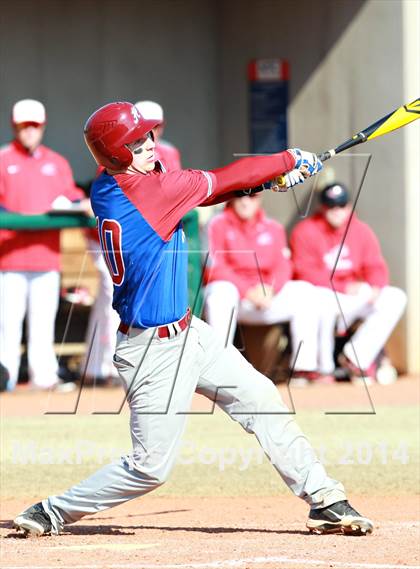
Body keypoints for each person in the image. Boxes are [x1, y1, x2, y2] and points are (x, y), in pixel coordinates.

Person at [14, 102, 373, 537]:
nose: (150, 144)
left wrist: (265, 184)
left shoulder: (111, 186)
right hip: (151, 350)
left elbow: (209, 191)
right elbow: (222, 179)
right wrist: (289, 160)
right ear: (115, 152)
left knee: (262, 397)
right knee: (150, 468)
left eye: (148, 136)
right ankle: (50, 511)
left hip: (189, 333)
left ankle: (324, 499)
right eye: (137, 141)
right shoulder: (152, 191)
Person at [81, 101, 182, 385]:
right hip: (131, 243)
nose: (152, 136)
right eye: (143, 130)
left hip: (157, 239)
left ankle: (115, 367)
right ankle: (103, 369)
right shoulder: (117, 158)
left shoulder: (168, 153)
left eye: (155, 128)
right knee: (121, 308)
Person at [0, 99, 85, 390]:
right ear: (14, 126)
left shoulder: (57, 162)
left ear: (43, 126)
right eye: (24, 125)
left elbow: (72, 198)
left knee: (42, 325)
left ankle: (44, 377)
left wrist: (85, 204)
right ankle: (5, 378)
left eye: (34, 125)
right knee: (8, 327)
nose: (29, 131)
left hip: (47, 257)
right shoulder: (3, 159)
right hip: (9, 259)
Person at [204, 193, 334, 384]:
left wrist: (270, 289)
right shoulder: (217, 223)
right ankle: (217, 368)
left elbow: (284, 265)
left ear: (260, 198)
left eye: (252, 195)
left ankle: (303, 369)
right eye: (240, 195)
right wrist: (248, 290)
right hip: (237, 296)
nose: (246, 200)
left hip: (266, 297)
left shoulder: (273, 227)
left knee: (306, 292)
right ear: (232, 198)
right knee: (220, 293)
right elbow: (213, 266)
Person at [290, 183, 407, 382]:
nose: (336, 211)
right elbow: (304, 271)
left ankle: (355, 358)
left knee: (395, 297)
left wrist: (376, 287)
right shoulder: (306, 230)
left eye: (341, 205)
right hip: (324, 294)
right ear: (322, 206)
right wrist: (343, 287)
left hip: (354, 296)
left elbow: (375, 266)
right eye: (331, 206)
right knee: (311, 296)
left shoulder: (361, 230)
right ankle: (319, 369)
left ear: (349, 206)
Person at [135, 100, 181, 171]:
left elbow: (177, 180)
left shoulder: (170, 151)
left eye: (156, 126)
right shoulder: (128, 150)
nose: (150, 132)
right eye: (145, 127)